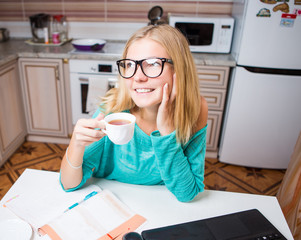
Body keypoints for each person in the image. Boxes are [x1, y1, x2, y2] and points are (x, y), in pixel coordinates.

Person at [60, 24, 208, 202]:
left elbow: (187, 193)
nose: (137, 77)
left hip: (161, 205)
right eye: (130, 65)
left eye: (153, 64)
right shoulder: (112, 110)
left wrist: (167, 133)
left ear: (179, 70)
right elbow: (68, 184)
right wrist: (76, 144)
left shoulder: (195, 109)